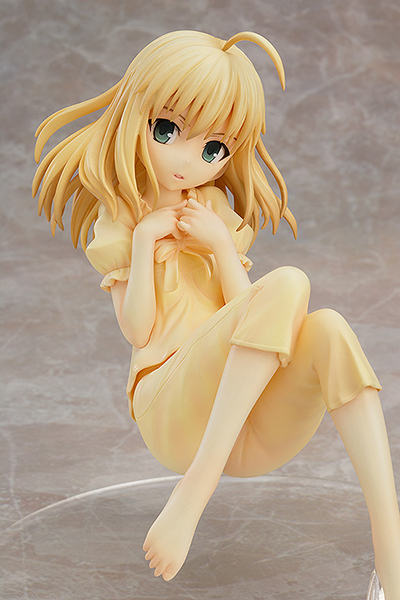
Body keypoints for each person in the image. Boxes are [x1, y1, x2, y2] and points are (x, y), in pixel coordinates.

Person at [32, 30, 400, 599]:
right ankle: (194, 493)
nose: (189, 160)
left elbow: (248, 318)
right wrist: (144, 242)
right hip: (172, 410)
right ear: (134, 116)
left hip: (243, 423)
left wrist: (222, 246)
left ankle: (391, 556)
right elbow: (138, 331)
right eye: (167, 130)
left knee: (328, 328)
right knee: (291, 281)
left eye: (213, 150)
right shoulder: (122, 218)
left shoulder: (212, 210)